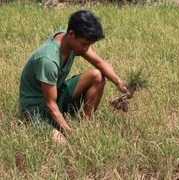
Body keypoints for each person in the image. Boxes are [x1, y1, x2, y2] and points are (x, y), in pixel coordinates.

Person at [19, 10, 131, 145]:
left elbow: (99, 63)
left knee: (97, 75)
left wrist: (119, 83)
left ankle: (86, 124)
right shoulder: (48, 60)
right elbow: (50, 106)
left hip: (55, 95)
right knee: (63, 145)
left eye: (89, 45)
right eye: (85, 44)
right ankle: (61, 130)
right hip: (36, 110)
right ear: (71, 34)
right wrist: (73, 136)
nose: (86, 48)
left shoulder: (70, 39)